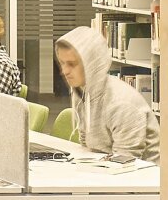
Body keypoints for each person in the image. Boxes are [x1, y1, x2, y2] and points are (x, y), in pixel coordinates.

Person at [54, 25, 158, 160]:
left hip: (142, 176)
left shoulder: (122, 104)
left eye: (72, 64)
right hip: (104, 168)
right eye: (62, 63)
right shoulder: (81, 91)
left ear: (92, 63)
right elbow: (87, 145)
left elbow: (124, 161)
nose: (64, 71)